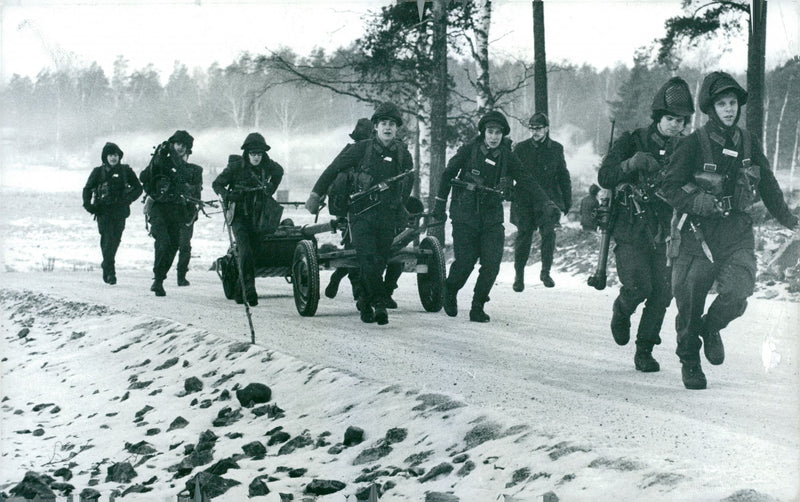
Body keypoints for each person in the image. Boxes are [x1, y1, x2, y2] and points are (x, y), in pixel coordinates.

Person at [659, 71, 798, 389]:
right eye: (722, 103)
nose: (729, 108)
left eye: (733, 102)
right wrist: (701, 203)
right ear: (711, 107)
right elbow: (669, 187)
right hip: (699, 235)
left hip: (736, 232)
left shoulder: (748, 142)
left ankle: (711, 328)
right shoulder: (692, 144)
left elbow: (768, 184)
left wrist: (788, 218)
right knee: (690, 301)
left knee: (739, 291)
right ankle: (690, 361)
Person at [597, 77, 695, 373]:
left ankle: (644, 351)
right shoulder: (633, 141)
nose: (675, 126)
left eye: (680, 121)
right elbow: (605, 176)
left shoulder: (686, 149)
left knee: (663, 293)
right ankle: (622, 309)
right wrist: (630, 164)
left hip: (666, 232)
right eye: (670, 119)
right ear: (657, 118)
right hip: (630, 228)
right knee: (639, 286)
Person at [432, 110, 557, 322]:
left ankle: (478, 305)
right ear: (483, 132)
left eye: (498, 133)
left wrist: (546, 202)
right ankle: (450, 290)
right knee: (466, 261)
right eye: (490, 132)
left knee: (492, 263)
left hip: (491, 217)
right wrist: (439, 204)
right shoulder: (469, 150)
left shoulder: (507, 156)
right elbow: (447, 174)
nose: (494, 136)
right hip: (465, 214)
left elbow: (526, 179)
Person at [305, 102, 414, 325]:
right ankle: (380, 303)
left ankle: (364, 301)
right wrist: (316, 195)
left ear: (397, 129)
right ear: (375, 126)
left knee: (380, 261)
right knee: (367, 258)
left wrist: (400, 205)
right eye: (383, 123)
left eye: (392, 124)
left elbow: (407, 181)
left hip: (387, 216)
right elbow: (333, 169)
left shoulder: (403, 153)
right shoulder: (360, 149)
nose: (387, 127)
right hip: (360, 214)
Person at [212, 132, 284, 306]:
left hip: (259, 217)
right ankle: (249, 291)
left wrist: (271, 188)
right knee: (245, 251)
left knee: (255, 253)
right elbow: (217, 184)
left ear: (263, 154)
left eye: (259, 153)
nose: (256, 157)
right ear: (247, 153)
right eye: (253, 153)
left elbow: (279, 172)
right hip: (239, 216)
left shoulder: (269, 166)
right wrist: (228, 195)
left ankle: (239, 289)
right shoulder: (236, 167)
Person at [511, 112, 571, 291]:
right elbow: (510, 172)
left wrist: (567, 201)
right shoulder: (521, 148)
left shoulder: (556, 149)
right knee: (523, 237)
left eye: (538, 128)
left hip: (547, 201)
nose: (535, 132)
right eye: (532, 128)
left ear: (546, 128)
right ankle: (519, 276)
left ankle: (545, 272)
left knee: (549, 234)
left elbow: (563, 176)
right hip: (524, 200)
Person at [139, 130, 203, 296]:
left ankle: (159, 278)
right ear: (172, 144)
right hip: (159, 208)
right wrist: (153, 193)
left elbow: (193, 192)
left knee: (174, 245)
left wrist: (191, 210)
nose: (180, 147)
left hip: (177, 210)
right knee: (164, 242)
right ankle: (158, 280)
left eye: (184, 145)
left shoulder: (189, 169)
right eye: (178, 144)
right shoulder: (161, 161)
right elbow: (144, 177)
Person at [81, 142, 143, 284]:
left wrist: (128, 199)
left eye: (115, 155)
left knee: (115, 240)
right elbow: (87, 189)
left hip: (120, 211)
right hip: (103, 211)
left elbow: (138, 188)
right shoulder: (98, 172)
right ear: (105, 157)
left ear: (119, 156)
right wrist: (87, 205)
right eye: (110, 155)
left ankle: (106, 264)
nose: (113, 158)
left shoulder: (126, 171)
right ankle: (111, 272)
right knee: (107, 239)